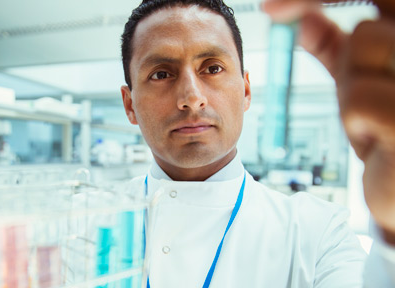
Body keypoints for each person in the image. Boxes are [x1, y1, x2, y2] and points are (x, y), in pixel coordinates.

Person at [119, 0, 395, 287]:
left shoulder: (318, 232)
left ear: (246, 91)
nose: (191, 96)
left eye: (212, 68)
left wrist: (392, 233)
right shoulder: (82, 222)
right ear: (130, 106)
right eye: (161, 74)